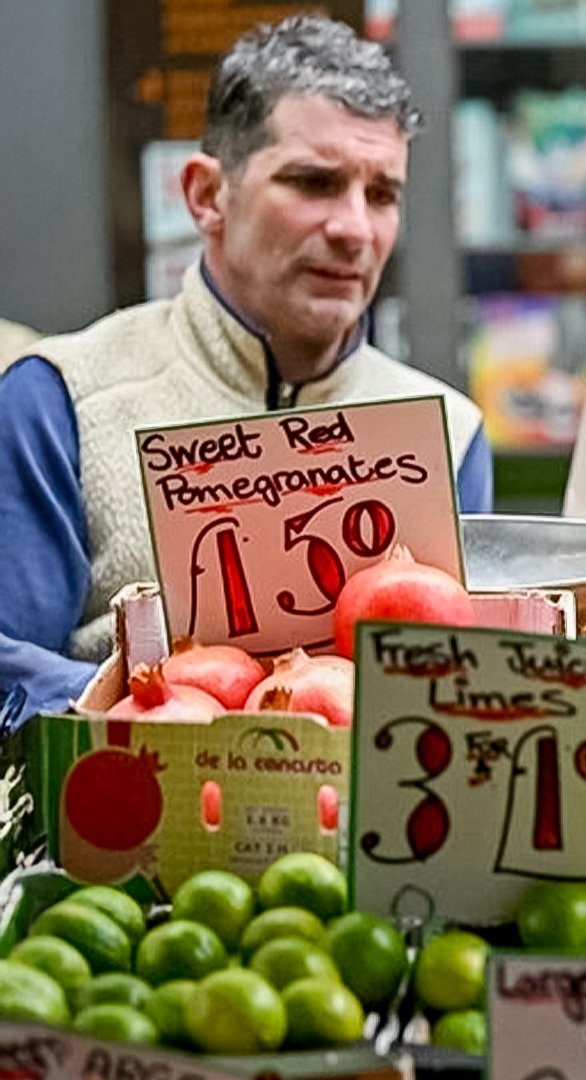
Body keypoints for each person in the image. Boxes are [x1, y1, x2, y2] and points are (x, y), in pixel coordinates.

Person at [0, 15, 491, 718]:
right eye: (315, 182)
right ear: (206, 195)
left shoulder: (451, 434)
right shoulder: (61, 399)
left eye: (381, 193)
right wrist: (148, 706)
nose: (355, 228)